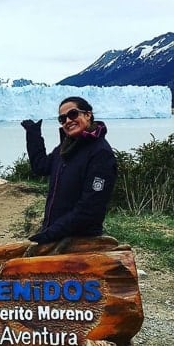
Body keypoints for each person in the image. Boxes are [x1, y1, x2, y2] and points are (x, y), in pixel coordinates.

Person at [21, 96, 117, 246]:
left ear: (88, 115)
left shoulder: (100, 154)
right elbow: (40, 166)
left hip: (81, 241)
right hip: (57, 236)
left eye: (73, 114)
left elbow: (90, 210)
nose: (67, 121)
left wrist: (50, 234)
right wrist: (34, 136)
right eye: (62, 118)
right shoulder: (66, 149)